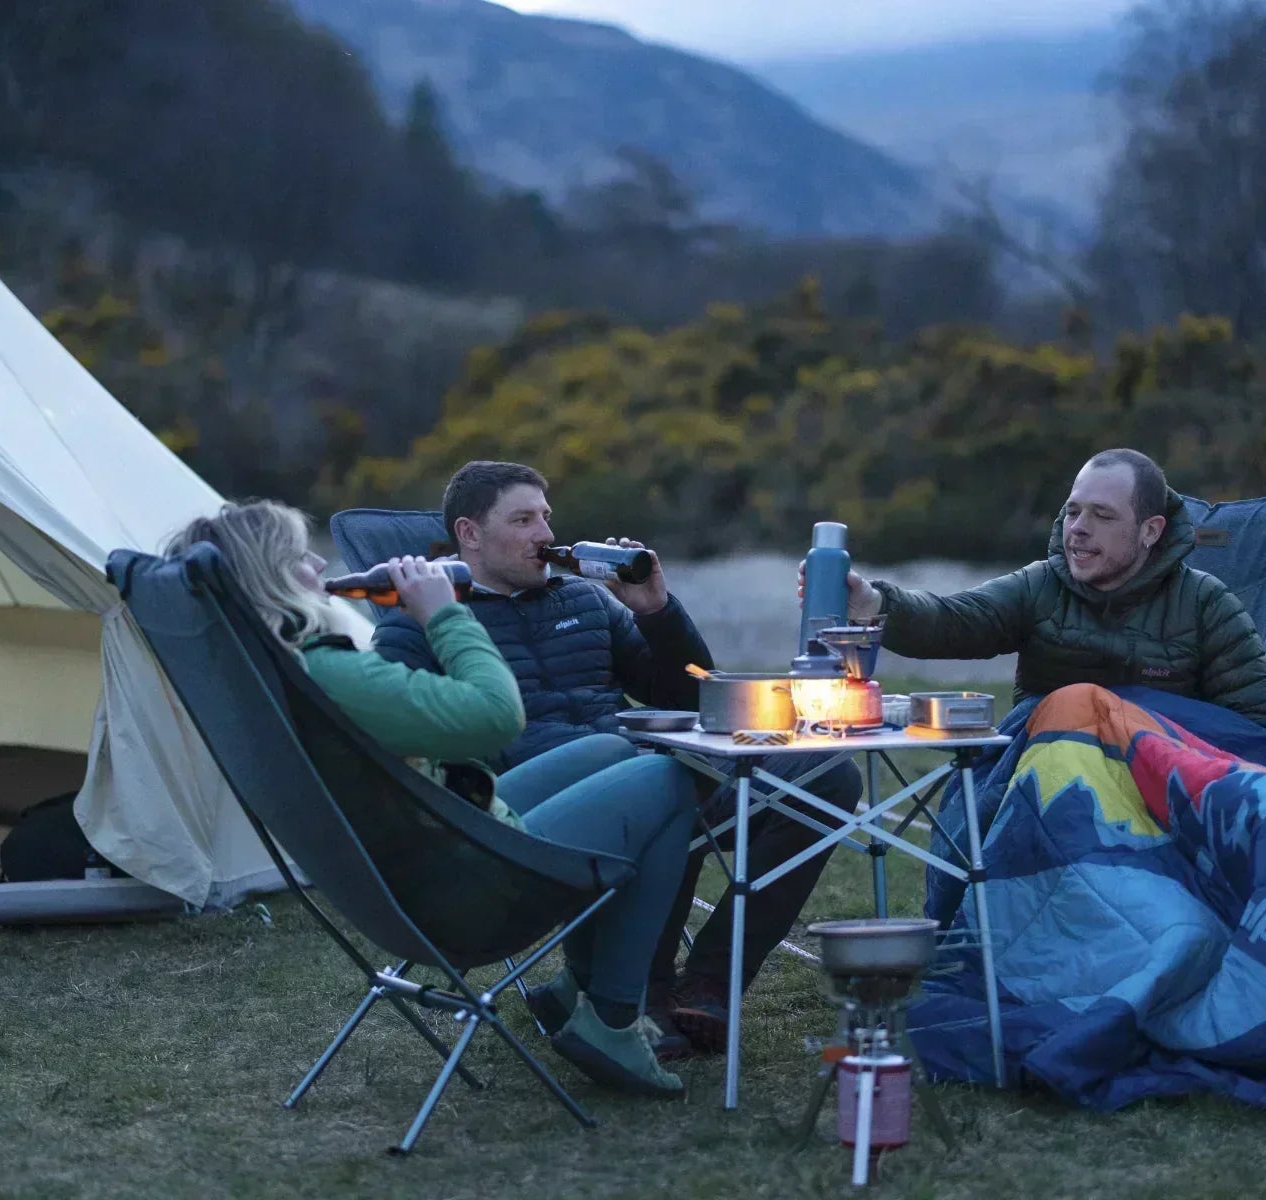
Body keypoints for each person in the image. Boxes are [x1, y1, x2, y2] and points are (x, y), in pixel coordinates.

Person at [164, 500, 702, 1098]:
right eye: (298, 557)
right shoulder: (332, 676)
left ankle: (584, 987)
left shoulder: (274, 673)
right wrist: (444, 617)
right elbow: (497, 717)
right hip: (465, 884)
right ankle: (613, 1015)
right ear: (267, 578)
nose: (319, 561)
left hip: (420, 857)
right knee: (668, 779)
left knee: (613, 754)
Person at [372, 461, 864, 1057]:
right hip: (539, 805)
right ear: (469, 534)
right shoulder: (423, 619)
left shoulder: (585, 595)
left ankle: (709, 979)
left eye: (546, 517)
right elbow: (404, 739)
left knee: (827, 777)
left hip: (648, 762)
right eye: (522, 520)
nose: (543, 534)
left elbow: (685, 697)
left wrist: (655, 610)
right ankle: (636, 995)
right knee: (664, 783)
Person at [798, 448, 1266, 725]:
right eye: (1074, 511)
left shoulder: (1206, 605)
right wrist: (874, 603)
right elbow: (954, 620)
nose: (1078, 529)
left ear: (1150, 531)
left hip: (1162, 779)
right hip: (1050, 773)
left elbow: (1250, 724)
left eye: (1102, 516)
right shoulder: (1041, 586)